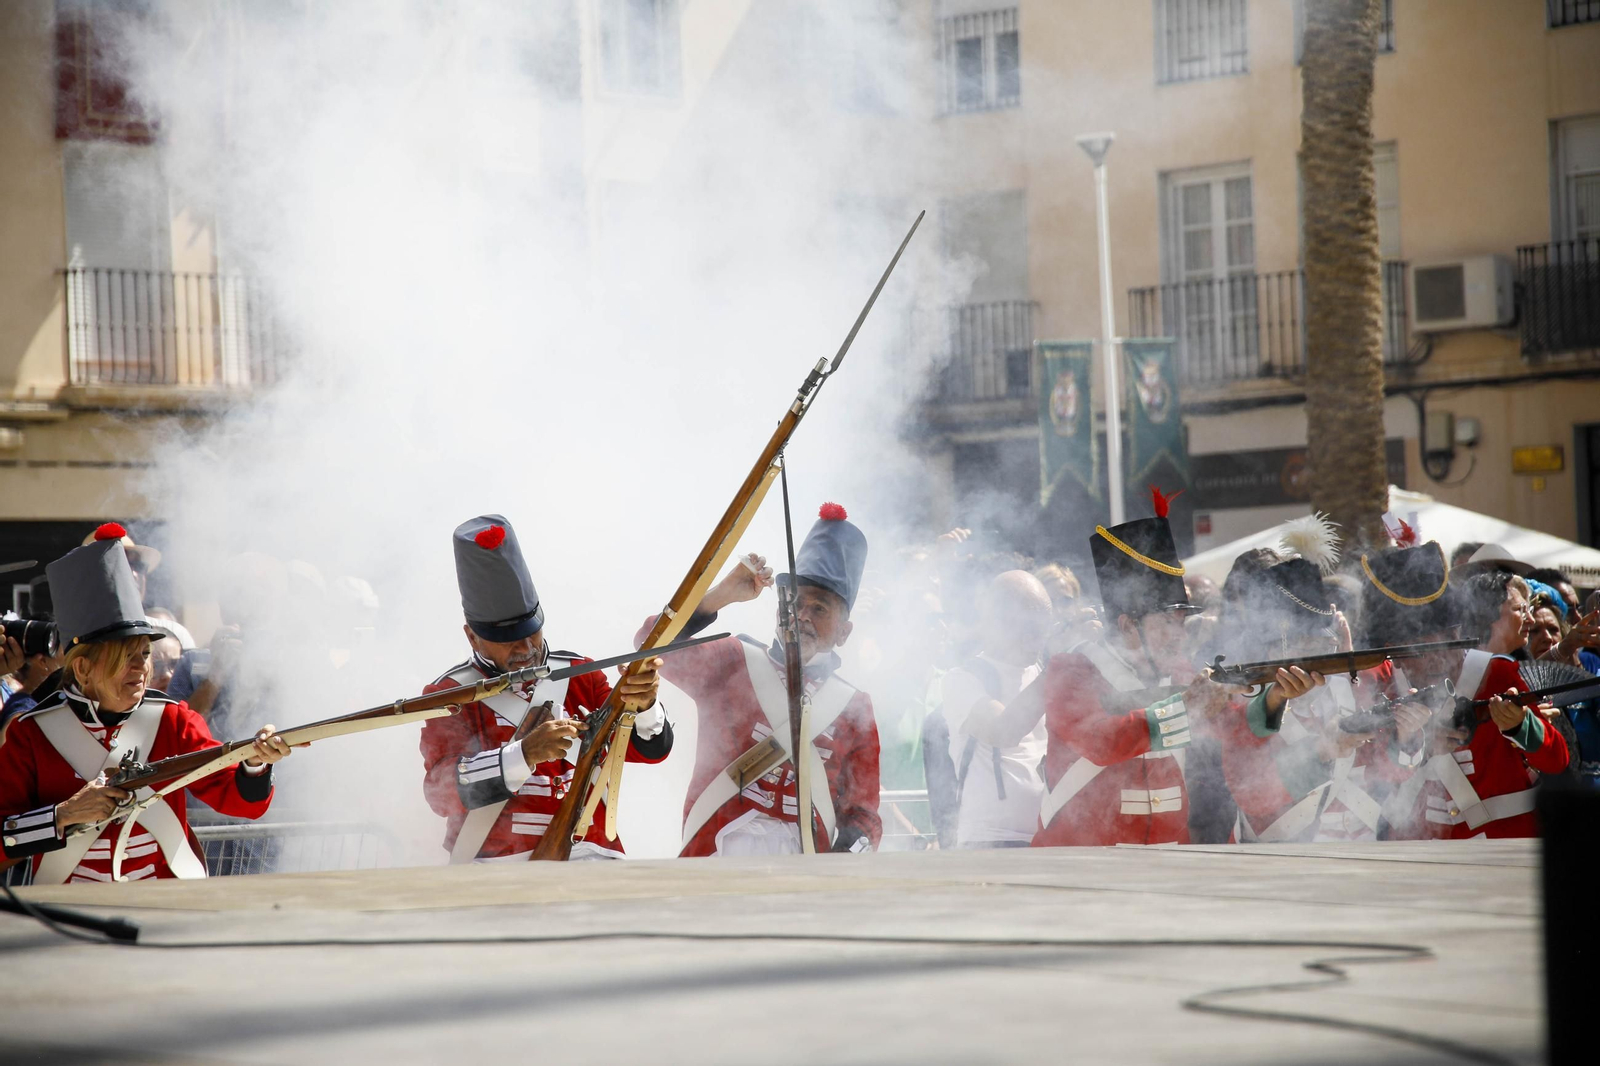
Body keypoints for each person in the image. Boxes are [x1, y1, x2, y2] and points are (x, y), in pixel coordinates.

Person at [0, 528, 290, 884]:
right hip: (67, 911)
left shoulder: (172, 720)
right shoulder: (31, 734)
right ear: (83, 668)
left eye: (144, 653)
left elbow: (238, 800)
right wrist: (62, 815)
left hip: (164, 906)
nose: (141, 667)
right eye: (125, 657)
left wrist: (255, 762)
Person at [418, 515, 669, 862]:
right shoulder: (450, 693)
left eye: (530, 632)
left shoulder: (581, 674)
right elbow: (440, 793)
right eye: (505, 640)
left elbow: (649, 751)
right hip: (496, 867)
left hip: (592, 856)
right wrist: (524, 754)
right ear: (472, 636)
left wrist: (645, 704)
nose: (524, 648)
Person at [640, 503, 882, 857]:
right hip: (718, 851)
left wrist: (842, 862)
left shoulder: (854, 705)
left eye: (819, 608)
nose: (801, 616)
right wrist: (721, 595)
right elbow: (650, 644)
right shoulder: (733, 660)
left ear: (844, 632)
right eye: (794, 602)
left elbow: (863, 815)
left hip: (806, 862)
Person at [1031, 490, 1244, 847]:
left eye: (1180, 621)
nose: (1179, 634)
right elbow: (1102, 742)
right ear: (1129, 625)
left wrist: (1274, 700)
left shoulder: (1178, 671)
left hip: (1167, 854)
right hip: (1083, 858)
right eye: (1166, 622)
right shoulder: (1072, 670)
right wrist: (1185, 709)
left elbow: (1231, 727)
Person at [936, 570, 1052, 849]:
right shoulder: (961, 679)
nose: (1038, 637)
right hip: (989, 838)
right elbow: (1003, 731)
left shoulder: (1041, 673)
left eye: (1043, 626)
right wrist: (1058, 671)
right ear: (996, 622)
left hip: (1046, 834)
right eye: (1029, 625)